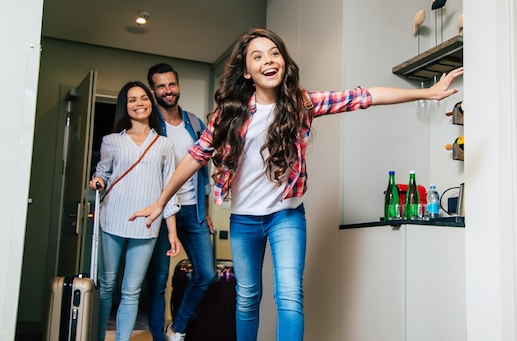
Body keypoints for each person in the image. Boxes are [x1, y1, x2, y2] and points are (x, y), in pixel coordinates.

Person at [130, 28, 464, 341]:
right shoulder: (229, 113)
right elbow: (194, 156)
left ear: (284, 62)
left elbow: (364, 96)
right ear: (246, 71)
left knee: (289, 294)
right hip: (244, 220)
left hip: (286, 216)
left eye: (274, 53)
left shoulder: (300, 103)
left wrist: (428, 92)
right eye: (258, 56)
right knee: (247, 297)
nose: (268, 60)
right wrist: (161, 201)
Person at [89, 81, 181, 341]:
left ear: (151, 104)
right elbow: (103, 173)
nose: (139, 103)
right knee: (106, 287)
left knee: (132, 290)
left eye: (143, 98)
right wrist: (98, 180)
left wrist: (172, 232)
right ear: (125, 106)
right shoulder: (111, 142)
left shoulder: (164, 145)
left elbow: (169, 192)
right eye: (132, 99)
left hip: (147, 224)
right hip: (112, 218)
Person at [144, 63, 217, 341]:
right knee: (159, 281)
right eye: (161, 86)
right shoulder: (152, 127)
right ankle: (158, 337)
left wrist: (206, 210)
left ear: (178, 85)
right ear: (153, 90)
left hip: (194, 210)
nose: (168, 90)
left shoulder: (195, 123)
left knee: (207, 274)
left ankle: (177, 328)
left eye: (171, 84)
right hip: (164, 212)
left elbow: (204, 168)